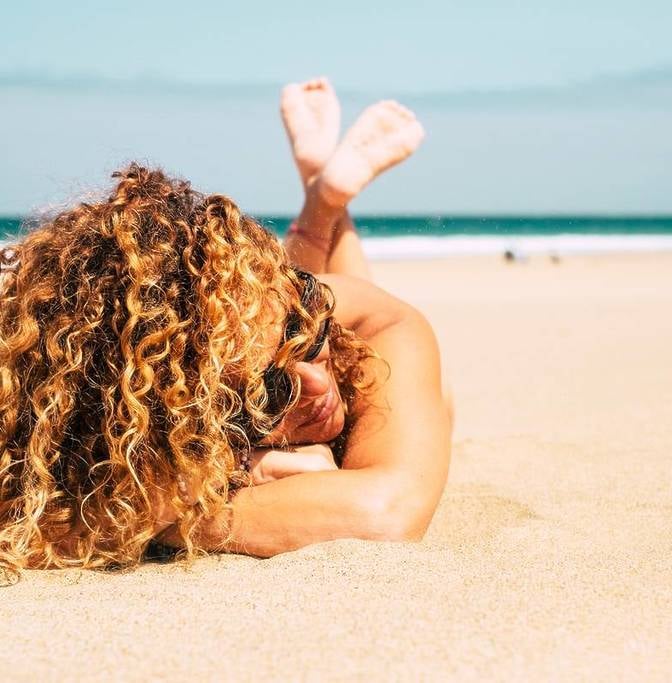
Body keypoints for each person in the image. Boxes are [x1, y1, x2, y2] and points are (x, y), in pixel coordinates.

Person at [0, 78, 451, 579]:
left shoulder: (367, 324)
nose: (316, 383)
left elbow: (387, 511)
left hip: (337, 314)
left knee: (358, 351)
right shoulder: (115, 400)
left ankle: (325, 200)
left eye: (305, 334)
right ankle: (324, 192)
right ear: (178, 410)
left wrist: (182, 503)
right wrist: (235, 470)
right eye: (270, 390)